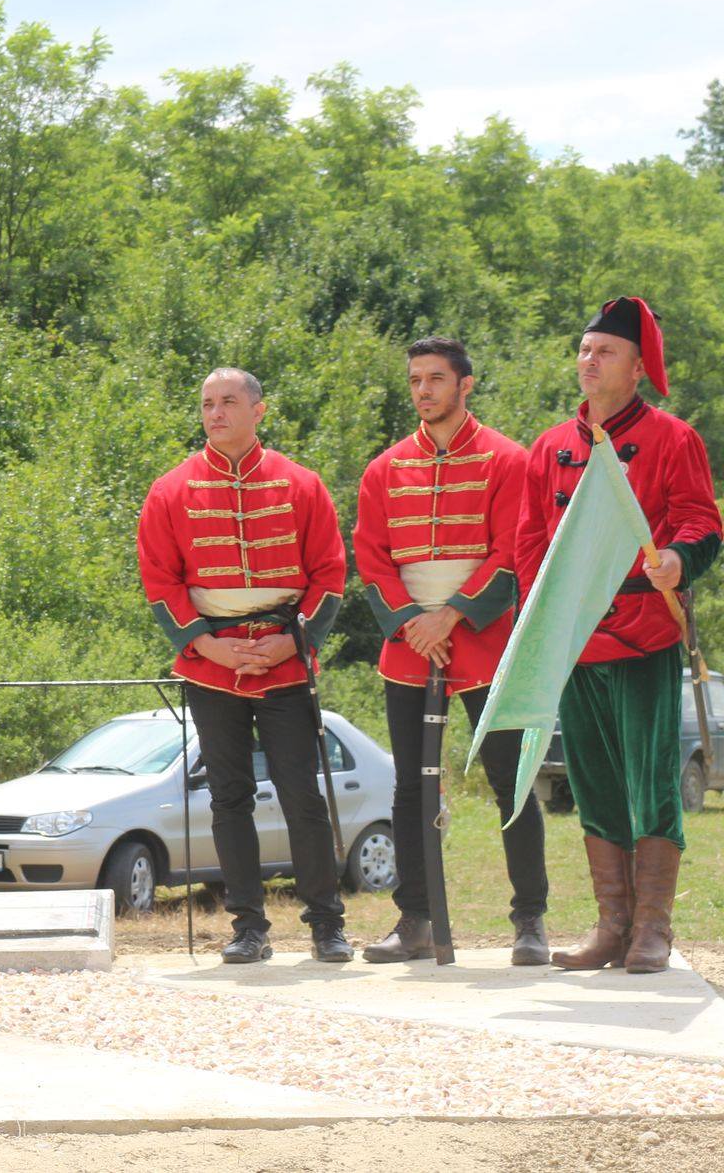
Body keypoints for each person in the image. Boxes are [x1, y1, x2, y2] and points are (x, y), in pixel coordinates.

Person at [520, 298, 720, 973]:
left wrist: (678, 559)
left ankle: (652, 928)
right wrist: (538, 627)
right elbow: (530, 545)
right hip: (576, 639)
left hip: (644, 634)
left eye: (604, 351)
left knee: (653, 782)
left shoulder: (673, 438)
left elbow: (702, 522)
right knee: (595, 783)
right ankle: (612, 926)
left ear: (637, 368)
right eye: (584, 349)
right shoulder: (550, 446)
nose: (589, 360)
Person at [136, 367, 352, 965]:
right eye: (207, 403)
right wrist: (208, 646)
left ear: (258, 411)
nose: (216, 413)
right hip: (212, 666)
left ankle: (326, 924)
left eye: (228, 401)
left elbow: (330, 574)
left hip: (285, 661)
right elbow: (159, 581)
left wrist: (293, 642)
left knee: (301, 795)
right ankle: (248, 928)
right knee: (228, 798)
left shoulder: (302, 484)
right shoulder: (170, 490)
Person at [353, 337, 548, 964]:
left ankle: (530, 921)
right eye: (416, 380)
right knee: (409, 788)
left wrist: (453, 615)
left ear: (465, 385)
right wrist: (414, 622)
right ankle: (415, 920)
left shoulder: (508, 460)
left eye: (436, 378)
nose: (423, 390)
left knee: (510, 780)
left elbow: (511, 550)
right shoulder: (384, 469)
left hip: (484, 641)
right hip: (412, 644)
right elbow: (372, 556)